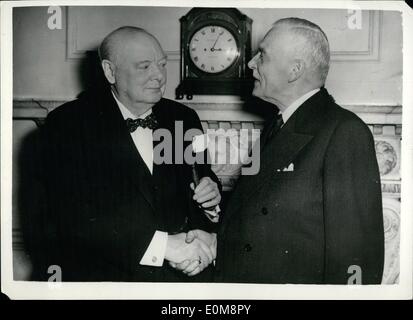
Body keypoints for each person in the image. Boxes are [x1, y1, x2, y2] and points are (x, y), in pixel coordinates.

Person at [178, 17, 384, 284]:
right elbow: (265, 225)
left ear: (294, 70)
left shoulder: (344, 131)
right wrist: (218, 243)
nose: (250, 63)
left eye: (262, 55)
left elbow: (356, 255)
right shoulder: (279, 126)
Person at [23, 26, 221, 282]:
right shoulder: (66, 125)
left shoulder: (185, 117)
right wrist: (164, 247)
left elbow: (204, 179)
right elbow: (70, 217)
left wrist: (211, 202)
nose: (159, 76)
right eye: (144, 66)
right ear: (110, 71)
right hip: (107, 283)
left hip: (180, 282)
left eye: (162, 64)